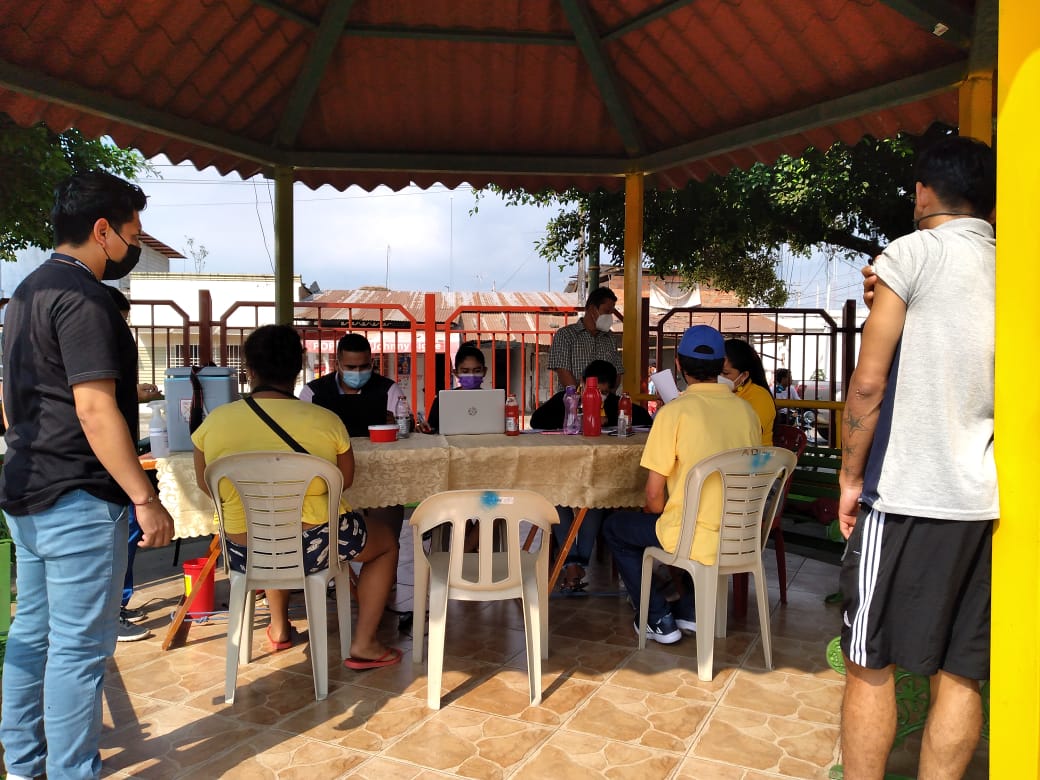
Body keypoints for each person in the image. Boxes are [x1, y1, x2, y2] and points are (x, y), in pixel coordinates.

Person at [0, 171, 175, 780]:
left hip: (26, 487)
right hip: (78, 496)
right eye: (133, 233)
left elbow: (11, 399)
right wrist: (144, 497)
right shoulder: (85, 298)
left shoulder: (25, 294)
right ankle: (72, 772)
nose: (134, 245)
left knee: (33, 634)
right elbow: (95, 410)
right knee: (78, 649)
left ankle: (24, 766)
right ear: (103, 231)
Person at [837, 136, 996, 779]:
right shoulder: (1013, 264)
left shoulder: (909, 253)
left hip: (906, 491)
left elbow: (868, 384)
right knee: (962, 670)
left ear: (923, 192)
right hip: (984, 499)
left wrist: (850, 477)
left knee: (868, 659)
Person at [192, 325, 402, 668]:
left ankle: (279, 628)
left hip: (246, 548)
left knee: (269, 525)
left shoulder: (215, 422)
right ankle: (365, 642)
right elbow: (344, 481)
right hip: (316, 544)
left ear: (249, 370)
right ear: (297, 368)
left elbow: (207, 484)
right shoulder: (325, 421)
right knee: (387, 543)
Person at [602, 325, 760, 643]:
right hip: (739, 535)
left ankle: (657, 617)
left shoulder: (674, 413)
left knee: (616, 528)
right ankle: (689, 610)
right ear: (721, 365)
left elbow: (654, 496)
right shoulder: (747, 412)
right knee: (676, 522)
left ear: (678, 363)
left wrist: (659, 514)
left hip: (691, 538)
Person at [529, 360, 652, 591]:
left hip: (599, 475)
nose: (598, 396)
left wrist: (611, 419)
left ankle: (574, 564)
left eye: (604, 392)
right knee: (556, 498)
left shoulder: (616, 404)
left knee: (595, 500)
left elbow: (645, 421)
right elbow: (537, 421)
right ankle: (574, 564)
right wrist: (573, 416)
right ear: (583, 383)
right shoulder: (566, 399)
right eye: (593, 390)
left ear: (612, 389)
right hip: (565, 471)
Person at [300, 333, 406, 542]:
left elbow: (403, 432)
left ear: (372, 363)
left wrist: (395, 424)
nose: (357, 373)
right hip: (331, 480)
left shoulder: (389, 390)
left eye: (364, 367)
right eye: (350, 367)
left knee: (387, 537)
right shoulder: (313, 393)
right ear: (337, 364)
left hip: (380, 477)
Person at [102, 284, 156, 642]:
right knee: (120, 536)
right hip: (106, 468)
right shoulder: (93, 347)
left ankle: (116, 606)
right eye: (120, 320)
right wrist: (144, 497)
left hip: (116, 460)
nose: (124, 328)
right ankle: (111, 614)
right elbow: (97, 411)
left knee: (126, 535)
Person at [548, 286, 624, 390]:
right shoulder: (566, 335)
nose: (609, 317)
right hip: (574, 399)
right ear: (592, 309)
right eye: (606, 311)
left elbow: (617, 373)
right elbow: (563, 373)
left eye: (611, 313)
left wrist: (606, 396)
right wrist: (582, 397)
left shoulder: (610, 338)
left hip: (604, 399)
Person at [420, 343, 487, 433]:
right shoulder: (443, 399)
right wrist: (423, 428)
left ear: (484, 371)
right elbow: (431, 429)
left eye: (477, 371)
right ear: (456, 373)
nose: (471, 375)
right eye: (465, 371)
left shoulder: (494, 400)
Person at [721, 339, 775, 445]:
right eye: (716, 371)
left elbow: (746, 436)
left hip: (754, 454)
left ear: (744, 375)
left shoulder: (760, 396)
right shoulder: (720, 393)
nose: (719, 377)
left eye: (725, 373)